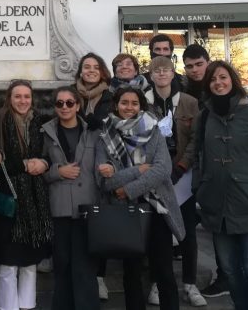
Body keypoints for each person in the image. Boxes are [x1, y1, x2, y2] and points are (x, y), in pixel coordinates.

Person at [193, 61, 248, 310]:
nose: (218, 83)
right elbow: (197, 154)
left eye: (223, 77)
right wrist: (199, 188)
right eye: (212, 79)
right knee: (229, 269)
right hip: (216, 204)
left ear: (233, 79)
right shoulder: (205, 115)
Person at [96, 86, 185, 310]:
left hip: (157, 207)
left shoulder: (154, 130)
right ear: (116, 105)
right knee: (131, 271)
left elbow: (162, 169)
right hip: (126, 211)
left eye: (134, 103)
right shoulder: (105, 134)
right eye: (124, 102)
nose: (129, 107)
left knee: (164, 270)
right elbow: (105, 181)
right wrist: (139, 170)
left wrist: (128, 189)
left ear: (141, 106)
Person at [0, 80, 52, 310]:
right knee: (9, 263)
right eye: (17, 96)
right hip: (9, 198)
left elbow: (51, 154)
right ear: (9, 98)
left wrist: (44, 163)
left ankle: (27, 306)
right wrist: (22, 164)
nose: (23, 101)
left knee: (30, 263)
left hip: (35, 199)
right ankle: (7, 307)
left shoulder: (41, 122)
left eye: (26, 96)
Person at [143, 56, 205, 307]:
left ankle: (190, 283)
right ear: (150, 75)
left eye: (165, 70)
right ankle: (157, 283)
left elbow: (196, 139)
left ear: (172, 73)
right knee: (157, 234)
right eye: (156, 70)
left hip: (182, 175)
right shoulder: (142, 102)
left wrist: (182, 166)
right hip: (153, 177)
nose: (161, 74)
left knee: (186, 230)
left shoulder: (189, 102)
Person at [42, 86, 100, 310]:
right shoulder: (45, 132)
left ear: (77, 105)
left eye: (69, 103)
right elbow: (39, 169)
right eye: (59, 103)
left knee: (85, 266)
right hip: (60, 207)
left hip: (87, 206)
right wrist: (58, 172)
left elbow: (104, 162)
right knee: (62, 264)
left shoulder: (93, 131)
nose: (64, 107)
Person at [180, 44, 229, 299]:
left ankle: (226, 276)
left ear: (207, 62)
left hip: (219, 164)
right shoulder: (184, 90)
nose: (195, 70)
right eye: (189, 66)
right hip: (194, 164)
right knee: (203, 221)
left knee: (221, 222)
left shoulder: (219, 88)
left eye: (199, 64)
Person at [73, 52, 113, 300]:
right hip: (75, 159)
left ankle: (99, 277)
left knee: (101, 221)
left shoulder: (110, 96)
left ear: (102, 72)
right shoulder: (70, 94)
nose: (90, 70)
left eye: (95, 67)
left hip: (101, 159)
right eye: (86, 67)